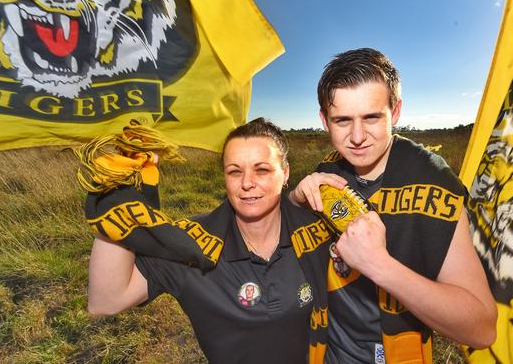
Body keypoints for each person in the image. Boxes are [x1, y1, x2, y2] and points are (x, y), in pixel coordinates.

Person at [289, 48, 498, 363]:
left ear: (395, 111)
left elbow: (481, 329)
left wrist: (378, 265)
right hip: (322, 350)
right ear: (324, 120)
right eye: (342, 120)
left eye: (372, 117)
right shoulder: (329, 168)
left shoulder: (432, 181)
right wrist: (296, 198)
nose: (357, 137)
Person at [87, 118, 332, 363]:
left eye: (262, 170)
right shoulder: (192, 243)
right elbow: (106, 301)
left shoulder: (317, 232)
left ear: (285, 172)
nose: (247, 183)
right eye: (235, 171)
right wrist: (117, 200)